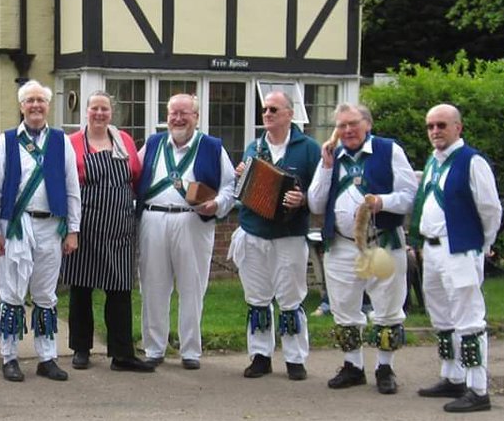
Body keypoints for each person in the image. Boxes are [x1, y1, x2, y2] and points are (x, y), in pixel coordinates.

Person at [307, 103, 417, 394]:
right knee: (343, 308)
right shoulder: (332, 156)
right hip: (341, 243)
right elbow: (316, 203)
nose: (347, 130)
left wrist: (382, 202)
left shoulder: (388, 150)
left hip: (380, 241)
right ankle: (352, 365)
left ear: (367, 124)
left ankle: (385, 367)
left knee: (387, 307)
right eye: (341, 126)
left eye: (353, 124)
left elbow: (409, 196)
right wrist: (326, 167)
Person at [410, 104, 503, 413]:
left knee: (468, 318)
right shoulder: (434, 163)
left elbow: (490, 208)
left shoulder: (471, 161)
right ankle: (452, 376)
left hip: (460, 249)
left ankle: (478, 388)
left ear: (458, 128)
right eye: (430, 126)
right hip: (433, 250)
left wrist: (482, 244)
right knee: (442, 317)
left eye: (441, 125)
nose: (435, 131)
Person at [136, 93, 236, 370]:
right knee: (153, 287)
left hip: (192, 221)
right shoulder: (154, 143)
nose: (178, 119)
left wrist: (216, 204)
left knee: (192, 286)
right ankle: (154, 348)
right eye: (173, 114)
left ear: (196, 117)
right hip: (153, 220)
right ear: (166, 116)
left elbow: (230, 186)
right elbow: (132, 175)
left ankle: (191, 350)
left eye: (185, 113)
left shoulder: (212, 147)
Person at [0, 80, 80, 382]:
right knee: (12, 292)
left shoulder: (60, 141)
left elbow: (72, 187)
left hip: (51, 226)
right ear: (21, 106)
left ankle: (47, 357)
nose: (36, 106)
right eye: (30, 101)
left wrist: (73, 230)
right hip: (16, 226)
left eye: (40, 100)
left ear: (48, 105)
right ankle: (9, 357)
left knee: (45, 293)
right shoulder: (6, 141)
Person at [229, 90, 321, 381]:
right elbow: (242, 190)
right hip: (253, 230)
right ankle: (260, 356)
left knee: (291, 296)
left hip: (289, 234)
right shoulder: (254, 147)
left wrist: (303, 200)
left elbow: (320, 191)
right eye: (264, 109)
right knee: (257, 296)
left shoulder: (308, 149)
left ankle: (295, 359)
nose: (267, 114)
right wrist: (241, 174)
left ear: (289, 114)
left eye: (273, 109)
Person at [60, 91, 152, 373]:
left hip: (120, 228)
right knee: (81, 290)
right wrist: (69, 229)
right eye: (94, 109)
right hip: (86, 226)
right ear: (85, 112)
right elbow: (66, 185)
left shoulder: (123, 140)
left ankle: (122, 354)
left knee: (120, 292)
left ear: (112, 113)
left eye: (105, 109)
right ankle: (81, 349)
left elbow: (135, 176)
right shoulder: (72, 143)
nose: (99, 114)